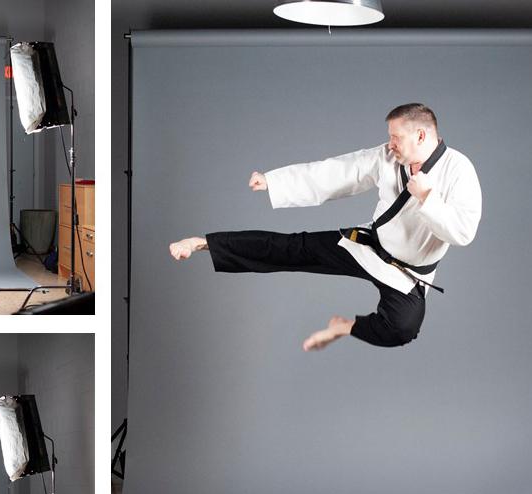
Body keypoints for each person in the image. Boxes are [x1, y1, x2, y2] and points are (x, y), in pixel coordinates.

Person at [169, 103, 482, 351]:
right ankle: (204, 243)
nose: (391, 144)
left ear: (421, 136)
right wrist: (273, 182)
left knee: (402, 329)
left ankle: (342, 328)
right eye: (390, 137)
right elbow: (338, 173)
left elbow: (463, 233)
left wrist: (427, 197)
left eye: (396, 137)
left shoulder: (459, 171)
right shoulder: (387, 157)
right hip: (368, 248)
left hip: (407, 273)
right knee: (292, 248)